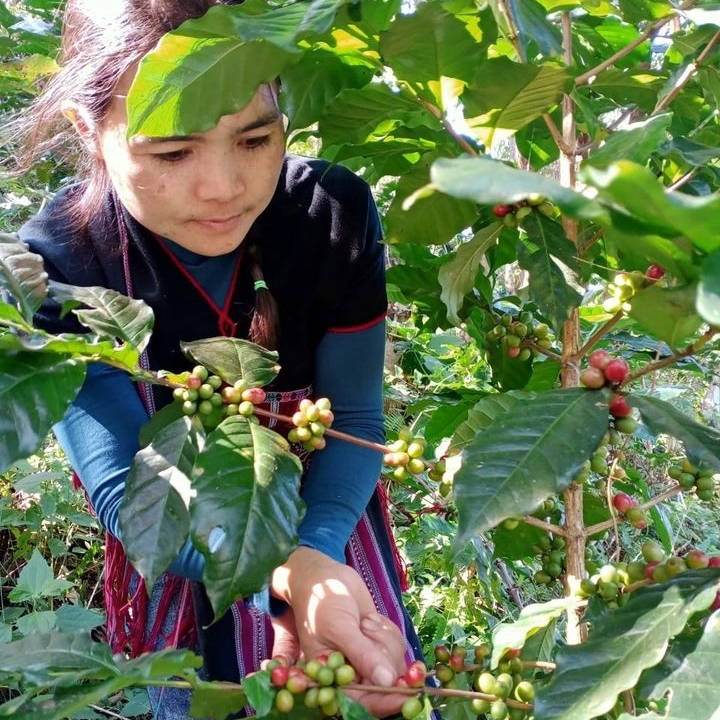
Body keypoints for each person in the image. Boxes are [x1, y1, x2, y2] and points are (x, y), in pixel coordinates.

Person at [13, 1, 426, 717]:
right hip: (185, 553)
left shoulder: (331, 215)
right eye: (172, 152)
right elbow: (127, 492)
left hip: (326, 518)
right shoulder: (62, 262)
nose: (224, 187)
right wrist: (281, 572)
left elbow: (354, 416)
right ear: (92, 131)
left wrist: (317, 557)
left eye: (256, 138)